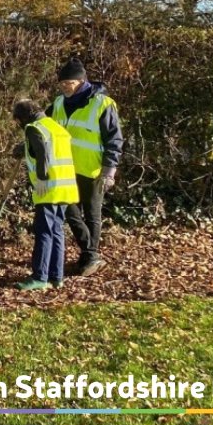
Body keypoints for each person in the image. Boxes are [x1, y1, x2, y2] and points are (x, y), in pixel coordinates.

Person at [48, 57, 124, 276]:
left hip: (93, 170)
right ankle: (91, 255)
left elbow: (114, 139)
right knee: (70, 211)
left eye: (68, 83)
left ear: (81, 81)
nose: (64, 88)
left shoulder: (102, 104)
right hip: (65, 169)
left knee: (92, 215)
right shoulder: (59, 103)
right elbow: (44, 126)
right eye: (61, 84)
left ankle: (88, 257)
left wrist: (109, 170)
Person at [12, 99, 79, 291]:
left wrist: (41, 178)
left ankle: (39, 277)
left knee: (43, 231)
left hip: (48, 187)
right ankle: (56, 277)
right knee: (56, 231)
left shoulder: (34, 128)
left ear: (23, 117)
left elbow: (43, 151)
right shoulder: (55, 126)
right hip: (66, 188)